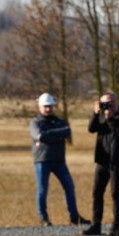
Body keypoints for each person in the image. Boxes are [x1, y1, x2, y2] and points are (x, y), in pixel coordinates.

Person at [30, 92, 90, 227]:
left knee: (69, 186)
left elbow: (67, 132)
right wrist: (57, 136)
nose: (48, 109)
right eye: (45, 106)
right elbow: (39, 136)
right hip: (42, 160)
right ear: (39, 106)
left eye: (50, 106)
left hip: (59, 161)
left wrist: (48, 135)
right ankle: (43, 218)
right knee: (42, 189)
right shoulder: (35, 122)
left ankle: (74, 216)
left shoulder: (60, 121)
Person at [82, 92, 119, 236]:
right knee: (97, 192)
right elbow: (91, 129)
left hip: (118, 161)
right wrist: (95, 113)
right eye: (105, 103)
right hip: (103, 159)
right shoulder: (101, 115)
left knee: (115, 193)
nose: (108, 106)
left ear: (117, 102)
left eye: (111, 102)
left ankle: (115, 227)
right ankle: (96, 225)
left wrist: (110, 118)